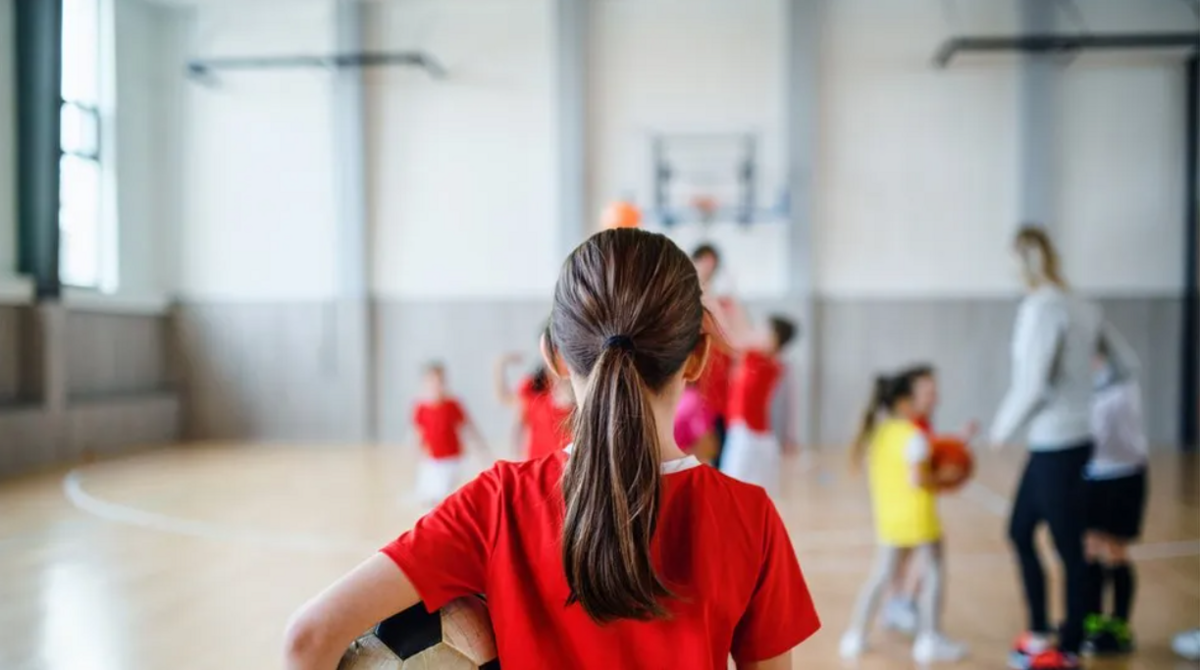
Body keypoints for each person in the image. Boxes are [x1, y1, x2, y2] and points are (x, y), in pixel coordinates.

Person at [283, 228, 820, 670]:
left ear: (556, 360)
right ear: (700, 356)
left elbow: (309, 637)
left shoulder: (495, 503)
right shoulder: (750, 518)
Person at [989, 226, 1138, 670]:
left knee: (1068, 547)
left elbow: (1032, 383)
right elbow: (1127, 364)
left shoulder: (1042, 307)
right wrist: (1085, 396)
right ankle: (1040, 631)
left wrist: (1001, 429)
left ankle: (1068, 647)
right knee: (1020, 530)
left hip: (1057, 443)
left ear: (1021, 261)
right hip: (1064, 441)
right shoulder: (1082, 305)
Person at [839, 371, 968, 664]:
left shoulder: (881, 433)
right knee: (933, 575)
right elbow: (918, 479)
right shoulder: (914, 437)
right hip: (919, 518)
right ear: (905, 402)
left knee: (880, 576)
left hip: (888, 518)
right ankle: (929, 638)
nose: (928, 401)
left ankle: (854, 635)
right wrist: (947, 476)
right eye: (921, 396)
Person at [881, 364, 979, 635]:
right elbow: (922, 468)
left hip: (899, 508)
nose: (935, 398)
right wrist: (943, 478)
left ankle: (896, 607)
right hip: (909, 508)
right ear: (910, 396)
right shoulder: (909, 428)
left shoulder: (916, 425)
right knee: (920, 559)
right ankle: (905, 609)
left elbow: (934, 450)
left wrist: (960, 439)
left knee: (901, 559)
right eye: (929, 392)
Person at [1081, 341, 1147, 656]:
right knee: (1090, 547)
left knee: (1116, 550)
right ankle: (1093, 620)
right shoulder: (1086, 389)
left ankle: (1119, 624)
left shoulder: (1120, 388)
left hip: (1124, 474)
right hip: (1094, 475)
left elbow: (1096, 434)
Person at [718, 314, 799, 498]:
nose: (756, 333)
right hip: (748, 434)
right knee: (733, 489)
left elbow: (734, 336)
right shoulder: (753, 357)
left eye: (764, 331)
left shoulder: (768, 365)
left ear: (774, 339)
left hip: (751, 437)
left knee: (739, 490)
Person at [411, 362, 486, 506]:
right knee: (426, 499)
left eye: (440, 380)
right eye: (432, 381)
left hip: (453, 460)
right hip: (432, 462)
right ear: (425, 383)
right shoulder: (420, 408)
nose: (437, 385)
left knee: (446, 498)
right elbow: (417, 435)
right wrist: (419, 457)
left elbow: (469, 429)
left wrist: (481, 452)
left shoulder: (453, 404)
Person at [691, 244, 733, 466]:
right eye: (704, 263)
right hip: (697, 383)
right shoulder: (688, 302)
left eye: (712, 265)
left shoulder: (722, 303)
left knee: (720, 443)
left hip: (721, 384)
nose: (708, 269)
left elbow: (730, 337)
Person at [494, 345, 573, 460]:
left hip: (565, 464)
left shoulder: (575, 401)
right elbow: (505, 397)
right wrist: (500, 365)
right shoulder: (534, 397)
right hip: (537, 464)